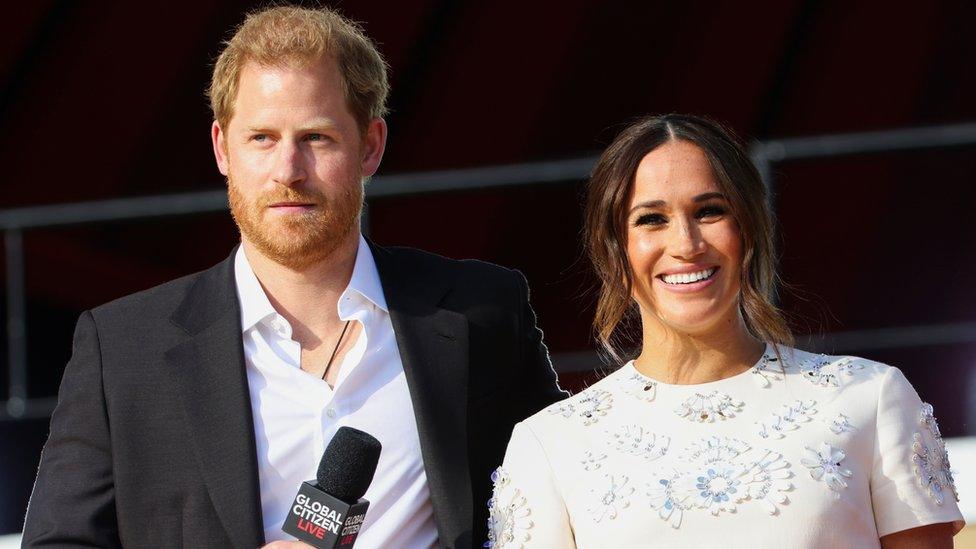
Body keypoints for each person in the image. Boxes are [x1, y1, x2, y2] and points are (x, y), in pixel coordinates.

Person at [22, 6, 565, 548]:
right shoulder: (122, 349)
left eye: (316, 137)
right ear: (221, 149)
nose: (288, 170)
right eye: (261, 137)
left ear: (370, 146)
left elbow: (569, 493)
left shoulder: (482, 311)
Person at [487, 114, 964, 548]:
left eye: (709, 211)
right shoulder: (551, 444)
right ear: (615, 250)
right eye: (651, 219)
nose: (686, 244)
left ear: (749, 230)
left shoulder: (869, 398)